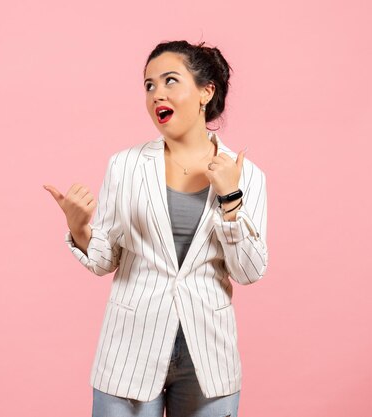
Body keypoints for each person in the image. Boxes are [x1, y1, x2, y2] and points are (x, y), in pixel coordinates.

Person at [44, 40, 268, 417]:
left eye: (169, 81)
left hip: (207, 357)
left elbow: (248, 271)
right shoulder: (125, 166)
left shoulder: (246, 174)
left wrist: (231, 198)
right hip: (130, 350)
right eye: (149, 85)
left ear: (205, 92)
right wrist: (80, 228)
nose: (156, 94)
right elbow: (106, 260)